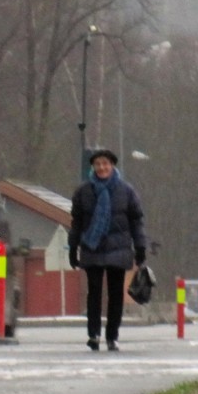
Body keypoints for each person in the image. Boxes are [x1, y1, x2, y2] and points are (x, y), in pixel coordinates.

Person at [69, 148, 147, 352]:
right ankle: (93, 335)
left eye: (105, 164)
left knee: (115, 294)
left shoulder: (126, 191)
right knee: (93, 293)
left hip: (118, 248)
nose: (102, 167)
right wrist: (73, 247)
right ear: (93, 167)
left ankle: (112, 336)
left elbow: (136, 221)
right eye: (98, 164)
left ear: (112, 166)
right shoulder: (83, 192)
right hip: (91, 247)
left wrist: (140, 246)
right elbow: (76, 222)